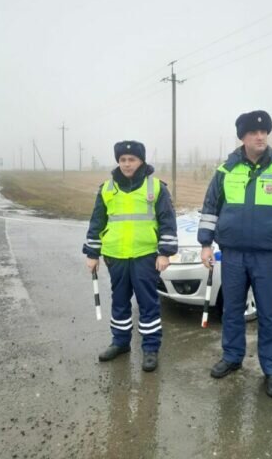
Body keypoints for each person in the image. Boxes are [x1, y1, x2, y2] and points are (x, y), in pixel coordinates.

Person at [198, 110, 272, 397]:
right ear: (243, 137)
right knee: (232, 311)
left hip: (267, 257)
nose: (259, 136)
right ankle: (232, 358)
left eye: (263, 132)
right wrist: (206, 244)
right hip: (233, 255)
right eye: (252, 133)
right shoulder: (226, 171)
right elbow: (210, 209)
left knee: (270, 314)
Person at [82, 140, 177, 372]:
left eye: (131, 159)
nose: (126, 164)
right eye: (122, 160)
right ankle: (120, 342)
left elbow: (167, 221)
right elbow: (97, 222)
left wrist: (165, 253)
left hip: (145, 256)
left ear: (141, 161)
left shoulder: (156, 188)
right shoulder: (107, 188)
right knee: (120, 301)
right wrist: (92, 254)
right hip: (115, 256)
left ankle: (151, 349)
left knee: (148, 303)